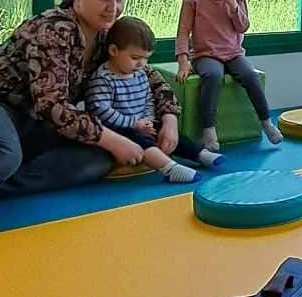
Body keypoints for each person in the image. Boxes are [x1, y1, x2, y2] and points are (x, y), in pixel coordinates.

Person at [0, 0, 163, 198]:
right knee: (2, 154)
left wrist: (168, 118)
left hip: (31, 119)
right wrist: (113, 140)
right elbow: (51, 105)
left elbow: (147, 74)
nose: (113, 8)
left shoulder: (106, 37)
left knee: (96, 158)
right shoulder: (53, 29)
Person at [85, 17, 223, 185]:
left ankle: (200, 154)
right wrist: (134, 123)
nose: (141, 63)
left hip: (141, 123)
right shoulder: (103, 79)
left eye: (146, 58)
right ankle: (169, 168)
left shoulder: (140, 73)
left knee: (173, 135)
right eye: (135, 57)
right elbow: (101, 111)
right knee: (140, 140)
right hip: (116, 130)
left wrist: (149, 120)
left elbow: (148, 98)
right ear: (113, 51)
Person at [174, 0, 282, 153]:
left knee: (250, 75)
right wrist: (183, 61)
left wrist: (233, 5)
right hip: (205, 55)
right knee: (213, 75)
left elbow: (243, 27)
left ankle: (266, 122)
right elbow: (182, 32)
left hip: (233, 54)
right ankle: (209, 129)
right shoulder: (193, 0)